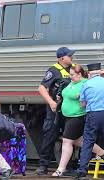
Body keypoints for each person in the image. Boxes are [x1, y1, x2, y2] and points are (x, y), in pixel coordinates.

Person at [51, 64, 104, 177]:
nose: (70, 77)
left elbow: (89, 95)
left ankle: (61, 169)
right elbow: (67, 94)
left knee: (66, 141)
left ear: (79, 74)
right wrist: (61, 96)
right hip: (67, 116)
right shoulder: (72, 83)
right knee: (78, 140)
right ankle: (101, 151)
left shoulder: (85, 83)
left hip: (78, 116)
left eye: (72, 75)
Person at [75, 63, 104, 180]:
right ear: (100, 71)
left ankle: (82, 172)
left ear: (89, 73)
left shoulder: (87, 84)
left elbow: (82, 104)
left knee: (88, 142)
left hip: (93, 115)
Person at [36, 47, 75, 175]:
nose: (72, 58)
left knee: (69, 137)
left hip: (70, 109)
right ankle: (43, 165)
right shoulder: (53, 70)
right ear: (62, 58)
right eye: (70, 56)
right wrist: (51, 102)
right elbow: (42, 88)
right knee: (49, 135)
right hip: (55, 110)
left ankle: (67, 166)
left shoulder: (74, 69)